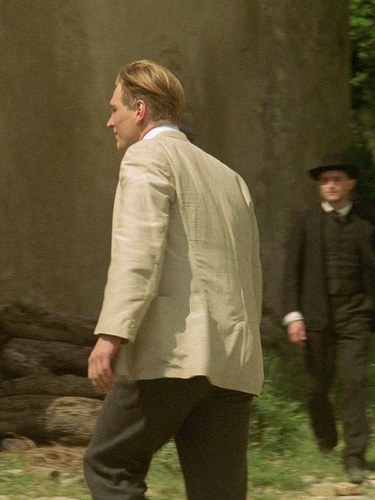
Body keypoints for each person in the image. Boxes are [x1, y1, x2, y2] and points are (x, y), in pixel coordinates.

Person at [83, 60, 263, 500]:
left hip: (173, 354)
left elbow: (137, 252)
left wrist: (111, 333)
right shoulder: (229, 178)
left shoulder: (147, 158)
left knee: (109, 466)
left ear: (140, 110)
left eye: (114, 109)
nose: (109, 121)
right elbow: (251, 273)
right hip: (233, 362)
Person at [281, 155, 375, 484]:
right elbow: (291, 272)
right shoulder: (305, 222)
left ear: (350, 183)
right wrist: (293, 315)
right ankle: (326, 441)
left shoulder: (366, 224)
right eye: (324, 181)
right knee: (316, 388)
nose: (330, 186)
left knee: (354, 383)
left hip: (354, 315)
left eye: (336, 179)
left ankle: (355, 455)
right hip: (315, 314)